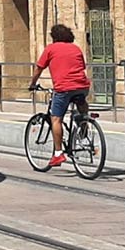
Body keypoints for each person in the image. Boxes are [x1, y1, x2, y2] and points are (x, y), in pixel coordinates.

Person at [28, 24, 91, 167]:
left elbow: (39, 68)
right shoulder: (76, 48)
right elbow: (82, 66)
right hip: (82, 86)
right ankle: (84, 123)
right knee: (81, 101)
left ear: (54, 37)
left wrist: (32, 83)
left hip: (64, 88)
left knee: (56, 119)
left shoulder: (51, 49)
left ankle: (58, 154)